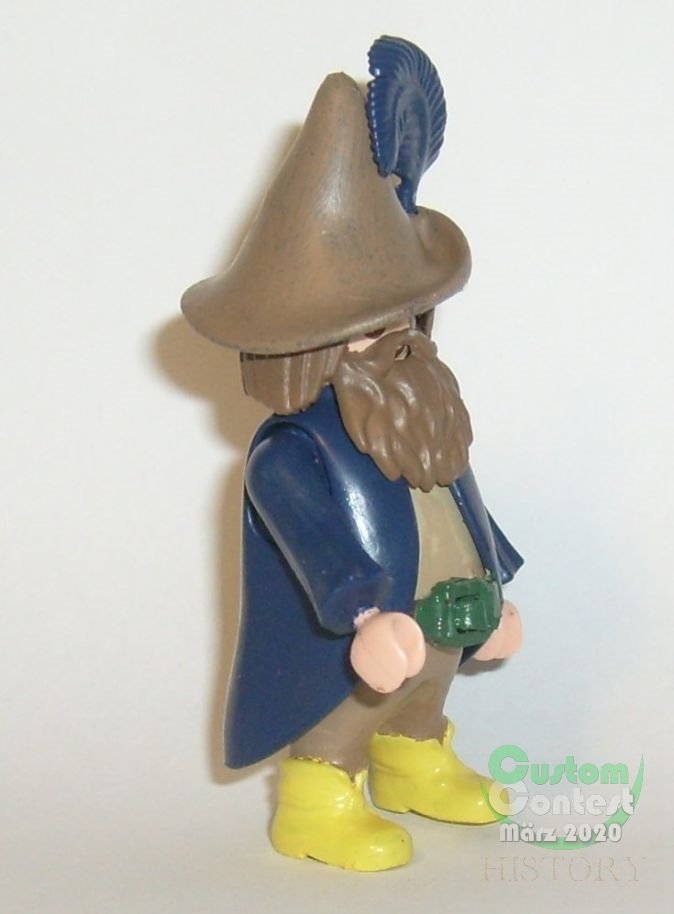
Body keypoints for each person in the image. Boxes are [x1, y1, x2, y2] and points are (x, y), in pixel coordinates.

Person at [181, 39, 523, 872]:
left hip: (444, 618)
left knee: (422, 695)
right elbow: (317, 545)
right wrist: (363, 614)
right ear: (307, 347)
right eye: (373, 329)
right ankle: (319, 798)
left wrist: (496, 580)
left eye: (407, 318)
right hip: (362, 635)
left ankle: (414, 760)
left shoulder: (423, 411)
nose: (400, 343)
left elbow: (459, 502)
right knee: (351, 709)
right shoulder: (291, 449)